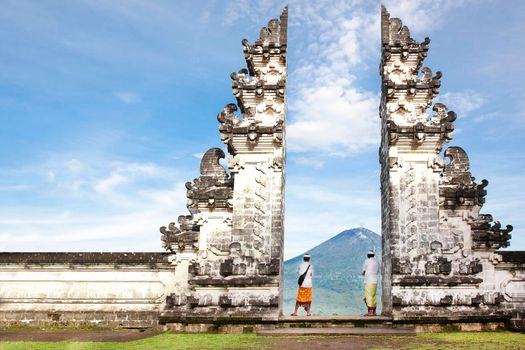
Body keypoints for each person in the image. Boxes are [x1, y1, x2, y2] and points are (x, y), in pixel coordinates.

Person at [362, 249, 379, 316]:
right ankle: (373, 311)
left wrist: (363, 273)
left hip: (368, 281)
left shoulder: (367, 261)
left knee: (368, 297)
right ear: (374, 255)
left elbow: (364, 270)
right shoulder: (377, 262)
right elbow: (377, 271)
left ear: (368, 255)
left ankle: (370, 312)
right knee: (373, 296)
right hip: (375, 281)